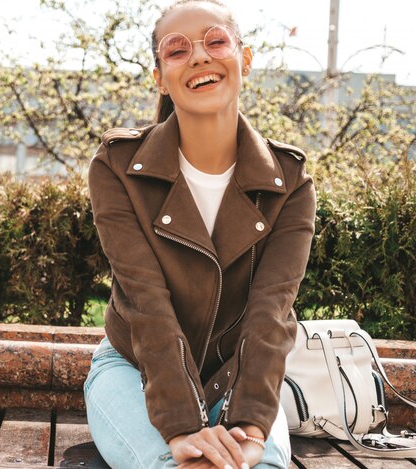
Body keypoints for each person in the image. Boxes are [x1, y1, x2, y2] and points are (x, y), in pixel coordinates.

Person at [83, 0, 317, 467]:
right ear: (160, 78)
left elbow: (271, 312)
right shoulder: (118, 168)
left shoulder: (289, 183)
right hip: (135, 371)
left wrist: (250, 423)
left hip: (242, 380)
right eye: (177, 50)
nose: (199, 57)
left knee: (258, 465)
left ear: (243, 59)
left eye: (215, 41)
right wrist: (183, 427)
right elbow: (146, 304)